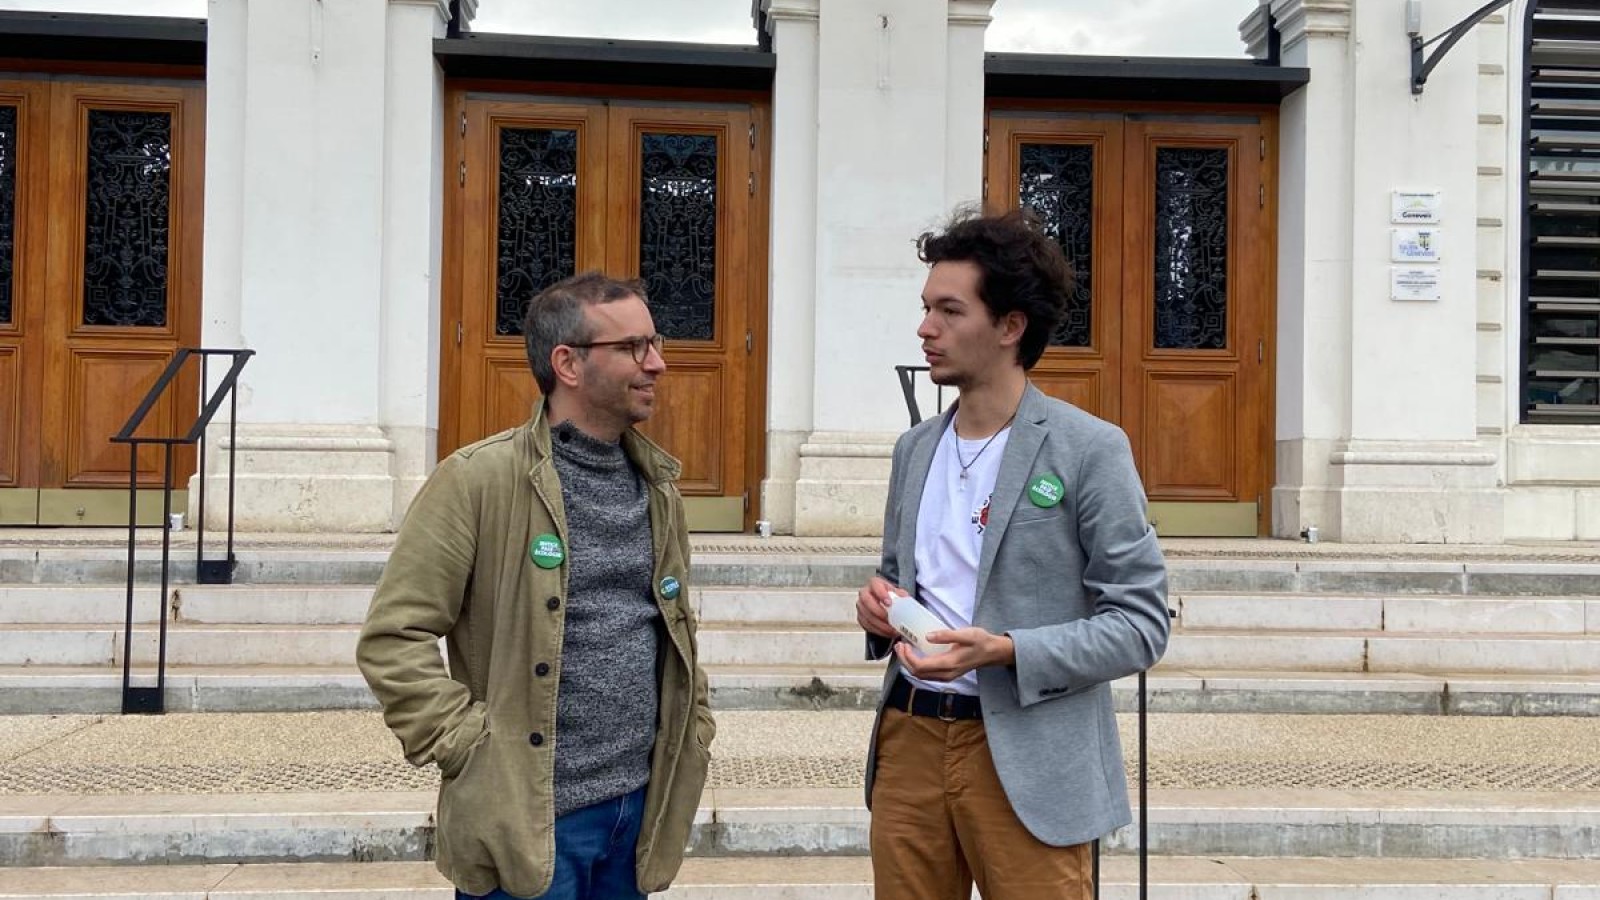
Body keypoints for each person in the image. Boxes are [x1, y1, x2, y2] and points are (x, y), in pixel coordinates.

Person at [357, 271, 714, 900]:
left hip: (636, 815)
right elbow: (394, 636)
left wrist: (697, 722)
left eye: (654, 343)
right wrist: (466, 745)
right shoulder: (477, 480)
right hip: (525, 820)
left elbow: (673, 627)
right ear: (567, 364)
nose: (657, 363)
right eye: (633, 347)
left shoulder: (658, 487)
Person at [854, 209, 1170, 900]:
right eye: (925, 308)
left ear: (1010, 326)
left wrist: (1005, 651)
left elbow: (1142, 625)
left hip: (1031, 754)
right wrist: (878, 609)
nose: (925, 328)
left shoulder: (1089, 449)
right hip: (910, 740)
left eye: (949, 310)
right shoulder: (914, 450)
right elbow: (898, 579)